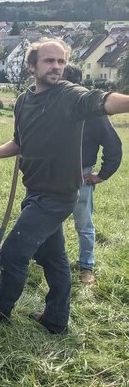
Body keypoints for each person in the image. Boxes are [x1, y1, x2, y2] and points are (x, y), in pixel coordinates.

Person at [0, 38, 129, 334]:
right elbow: (20, 141)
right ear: (32, 66)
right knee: (53, 258)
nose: (56, 67)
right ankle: (57, 320)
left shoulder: (69, 95)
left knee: (13, 252)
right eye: (49, 61)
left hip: (56, 197)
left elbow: (100, 100)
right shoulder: (23, 101)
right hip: (36, 191)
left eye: (61, 61)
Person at [62, 64, 122, 284]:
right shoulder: (55, 106)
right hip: (53, 173)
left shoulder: (91, 112)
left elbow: (113, 145)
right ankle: (46, 256)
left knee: (84, 223)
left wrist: (102, 175)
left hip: (81, 174)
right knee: (49, 218)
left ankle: (86, 266)